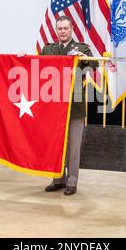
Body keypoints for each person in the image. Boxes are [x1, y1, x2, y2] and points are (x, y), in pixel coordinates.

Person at [41, 16, 98, 195]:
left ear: (71, 29)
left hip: (75, 103)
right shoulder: (48, 49)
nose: (63, 31)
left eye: (66, 28)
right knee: (56, 145)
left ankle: (72, 182)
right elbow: (34, 66)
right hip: (54, 105)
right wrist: (22, 57)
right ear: (56, 30)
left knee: (74, 146)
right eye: (60, 29)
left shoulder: (82, 48)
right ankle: (58, 179)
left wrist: (83, 58)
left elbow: (94, 65)